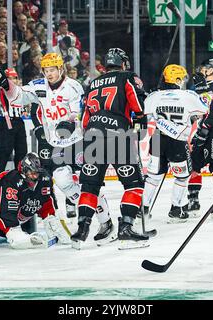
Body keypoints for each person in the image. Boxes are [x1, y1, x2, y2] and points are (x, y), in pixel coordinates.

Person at [0, 53, 115, 246]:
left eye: (52, 70)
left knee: (89, 181)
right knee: (63, 181)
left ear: (61, 69)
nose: (49, 74)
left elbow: (77, 112)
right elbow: (18, 97)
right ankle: (90, 207)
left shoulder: (73, 87)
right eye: (46, 70)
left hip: (79, 141)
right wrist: (5, 83)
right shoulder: (38, 86)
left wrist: (70, 123)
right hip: (57, 144)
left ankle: (106, 223)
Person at [72, 48, 149, 249]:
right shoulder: (127, 77)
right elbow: (138, 107)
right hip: (117, 135)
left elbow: (85, 118)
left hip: (92, 135)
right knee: (134, 184)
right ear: (123, 63)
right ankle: (126, 228)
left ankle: (81, 230)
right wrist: (140, 123)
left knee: (90, 186)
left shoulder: (92, 83)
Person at [0, 153, 71, 249]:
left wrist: (50, 218)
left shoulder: (44, 179)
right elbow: (7, 209)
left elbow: (46, 202)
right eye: (32, 173)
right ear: (24, 170)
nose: (35, 176)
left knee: (29, 231)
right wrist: (13, 231)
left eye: (37, 173)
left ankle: (14, 228)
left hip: (14, 214)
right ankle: (11, 229)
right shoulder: (12, 180)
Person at [142, 64, 209, 223]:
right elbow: (204, 110)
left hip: (158, 139)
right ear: (177, 79)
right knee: (182, 177)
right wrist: (202, 91)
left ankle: (142, 209)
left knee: (153, 176)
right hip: (177, 142)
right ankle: (176, 209)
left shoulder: (154, 96)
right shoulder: (189, 96)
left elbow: (144, 116)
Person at [184, 59, 213, 217]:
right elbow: (201, 110)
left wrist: (204, 130)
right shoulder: (204, 87)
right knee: (194, 165)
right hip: (204, 131)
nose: (202, 70)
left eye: (206, 68)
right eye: (202, 67)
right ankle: (193, 201)